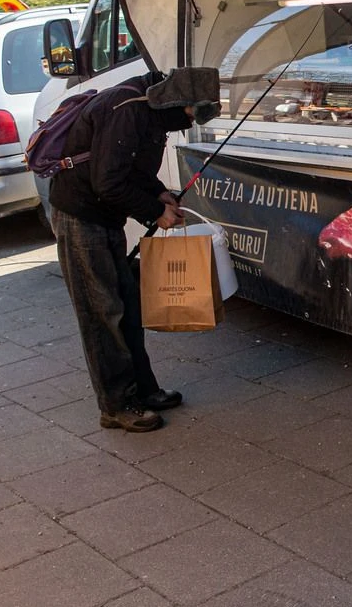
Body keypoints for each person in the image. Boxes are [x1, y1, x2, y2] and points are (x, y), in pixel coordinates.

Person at [49, 67, 222, 433]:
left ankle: (143, 390)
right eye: (190, 114)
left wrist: (158, 191)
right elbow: (108, 182)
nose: (188, 123)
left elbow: (132, 166)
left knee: (126, 304)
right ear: (177, 102)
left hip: (104, 216)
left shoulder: (150, 111)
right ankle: (116, 405)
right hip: (81, 216)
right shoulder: (128, 110)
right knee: (102, 313)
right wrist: (156, 212)